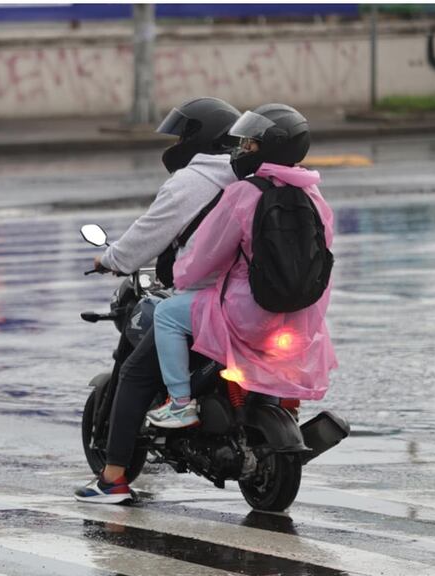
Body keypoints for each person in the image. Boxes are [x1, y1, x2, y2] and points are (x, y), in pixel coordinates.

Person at [74, 97, 241, 504]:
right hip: (253, 302)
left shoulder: (191, 181)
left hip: (206, 299)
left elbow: (148, 234)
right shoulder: (249, 178)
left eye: (184, 134)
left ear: (199, 138)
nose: (178, 142)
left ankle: (113, 479)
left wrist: (110, 259)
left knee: (134, 373)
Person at [147, 104, 337, 429]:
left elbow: (204, 254)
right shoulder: (313, 194)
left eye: (250, 143)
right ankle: (286, 406)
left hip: (248, 313)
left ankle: (180, 404)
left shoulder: (244, 193)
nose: (243, 149)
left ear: (270, 147)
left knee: (166, 315)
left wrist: (181, 277)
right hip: (300, 314)